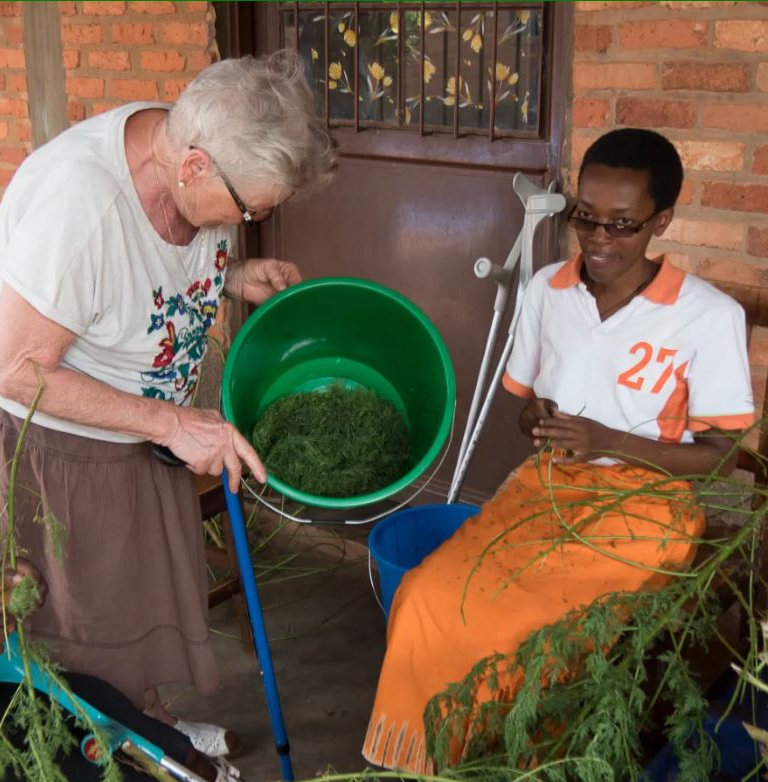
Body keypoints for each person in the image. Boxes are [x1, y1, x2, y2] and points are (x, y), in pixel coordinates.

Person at [362, 128, 755, 774]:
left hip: (647, 512)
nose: (599, 239)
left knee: (532, 633)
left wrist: (608, 441)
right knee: (429, 598)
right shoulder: (549, 289)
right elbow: (527, 407)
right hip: (548, 487)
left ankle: (526, 761)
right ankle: (435, 759)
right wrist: (540, 419)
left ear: (662, 220)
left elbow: (720, 458)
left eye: (623, 225)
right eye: (586, 219)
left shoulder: (706, 316)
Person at [0, 49, 335, 769]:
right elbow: (14, 368)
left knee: (140, 607)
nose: (254, 219)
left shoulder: (184, 150)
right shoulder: (80, 207)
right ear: (192, 168)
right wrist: (174, 423)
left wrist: (232, 274)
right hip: (69, 454)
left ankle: (152, 724)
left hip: (150, 438)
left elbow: (142, 275)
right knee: (89, 628)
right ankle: (124, 748)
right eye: (251, 210)